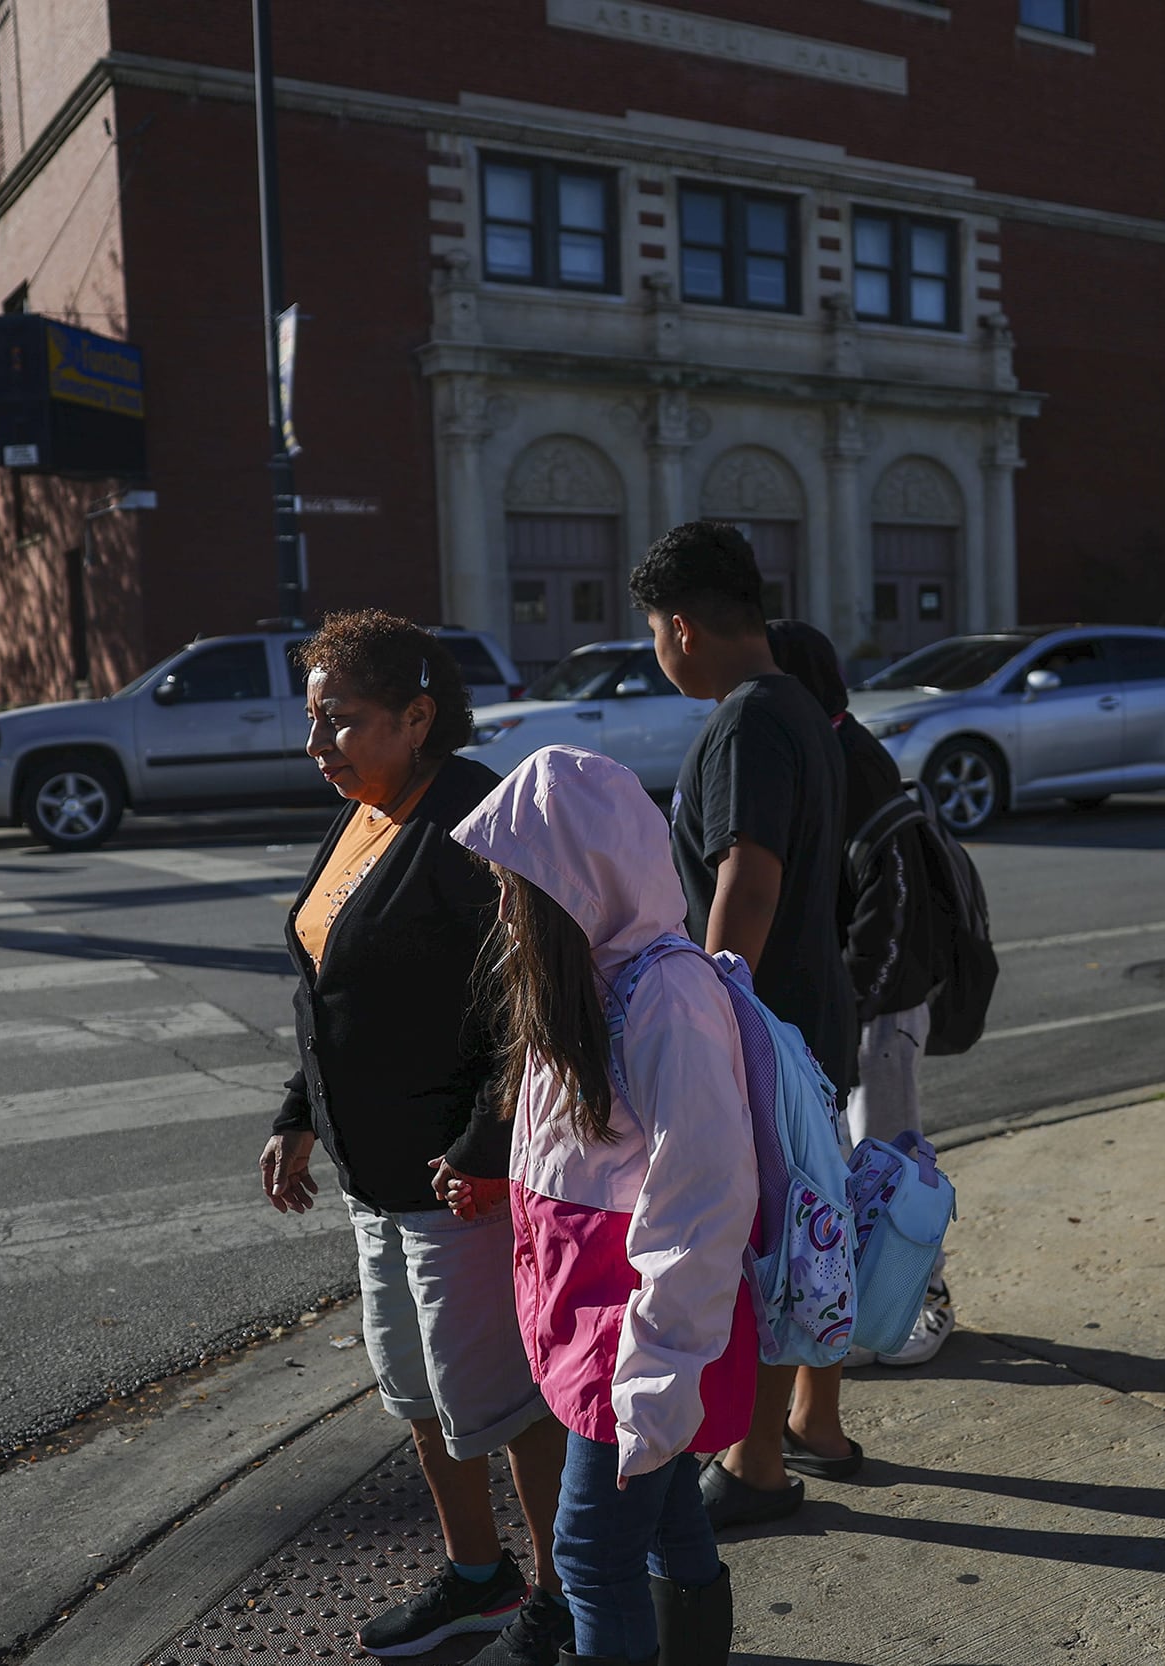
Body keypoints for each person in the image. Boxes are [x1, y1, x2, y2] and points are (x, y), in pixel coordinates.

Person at [254, 610, 573, 1664]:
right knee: (417, 1389)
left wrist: (485, 1144)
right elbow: (332, 979)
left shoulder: (476, 825)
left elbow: (534, 1012)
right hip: (375, 1176)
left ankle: (564, 1596)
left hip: (459, 1184)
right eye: (314, 720)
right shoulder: (364, 810)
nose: (318, 746)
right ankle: (479, 1576)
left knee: (504, 1399)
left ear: (416, 716)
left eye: (340, 722)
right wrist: (300, 1112)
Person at [452, 745, 760, 1666]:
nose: (504, 907)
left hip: (642, 1331)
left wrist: (657, 1378)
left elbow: (706, 1200)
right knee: (664, 1527)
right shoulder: (584, 979)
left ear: (575, 885)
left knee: (590, 1552)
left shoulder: (664, 994)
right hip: (606, 1318)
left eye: (519, 886)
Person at [628, 523, 860, 1529]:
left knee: (758, 1253)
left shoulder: (746, 722)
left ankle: (755, 1461)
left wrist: (715, 1022)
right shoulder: (797, 706)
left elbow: (749, 882)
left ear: (681, 625)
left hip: (769, 1033)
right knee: (787, 1245)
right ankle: (764, 1444)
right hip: (807, 1023)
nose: (656, 650)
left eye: (651, 631)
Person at [768, 619, 952, 1368]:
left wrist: (853, 1004)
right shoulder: (823, 750)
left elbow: (893, 903)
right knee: (854, 1177)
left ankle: (925, 1305)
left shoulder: (854, 761)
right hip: (852, 1011)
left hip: (879, 1010)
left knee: (898, 1174)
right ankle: (866, 1310)